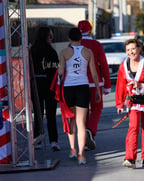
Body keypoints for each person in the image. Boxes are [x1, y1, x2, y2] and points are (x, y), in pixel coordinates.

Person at [58, 28, 101, 164]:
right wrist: (98, 90)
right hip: (83, 87)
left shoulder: (64, 52)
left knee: (71, 120)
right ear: (81, 38)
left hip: (68, 88)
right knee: (81, 123)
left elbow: (60, 71)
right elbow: (94, 73)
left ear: (69, 39)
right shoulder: (88, 52)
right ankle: (82, 155)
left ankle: (72, 150)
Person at [115, 39, 144, 168]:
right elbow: (120, 86)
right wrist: (119, 103)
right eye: (128, 50)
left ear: (139, 48)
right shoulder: (123, 66)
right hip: (133, 102)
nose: (131, 52)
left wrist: (140, 85)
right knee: (133, 128)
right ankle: (130, 158)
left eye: (133, 49)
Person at [77, 20, 111, 151]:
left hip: (78, 83)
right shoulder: (96, 44)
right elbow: (103, 65)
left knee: (82, 111)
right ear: (90, 31)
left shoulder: (73, 45)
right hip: (94, 83)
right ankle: (90, 130)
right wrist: (107, 85)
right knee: (97, 108)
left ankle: (84, 137)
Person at [30, 27, 60, 151]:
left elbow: (28, 68)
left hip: (35, 84)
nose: (52, 39)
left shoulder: (32, 50)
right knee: (51, 114)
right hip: (49, 85)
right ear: (47, 37)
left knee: (38, 114)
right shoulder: (51, 52)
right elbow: (56, 70)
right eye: (50, 36)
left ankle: (37, 139)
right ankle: (53, 141)